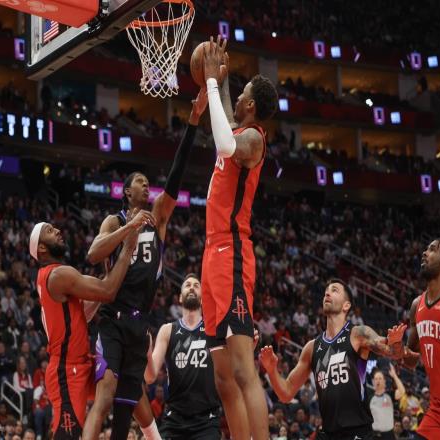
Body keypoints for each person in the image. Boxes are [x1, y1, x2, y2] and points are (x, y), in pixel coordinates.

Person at [83, 89, 208, 440]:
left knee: (126, 410)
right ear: (127, 192)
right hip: (113, 319)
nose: (146, 185)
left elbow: (176, 177)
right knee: (104, 396)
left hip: (141, 325)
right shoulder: (114, 221)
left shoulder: (158, 220)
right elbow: (93, 254)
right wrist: (129, 229)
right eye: (139, 182)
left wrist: (193, 122)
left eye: (147, 182)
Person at [201, 35, 278, 440]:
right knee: (222, 376)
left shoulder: (254, 139)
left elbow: (225, 142)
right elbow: (228, 124)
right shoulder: (239, 125)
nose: (239, 97)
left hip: (231, 253)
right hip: (211, 255)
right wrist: (225, 78)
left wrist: (213, 83)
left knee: (244, 371)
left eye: (242, 93)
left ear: (250, 106)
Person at [29, 216, 146, 439]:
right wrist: (128, 244)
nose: (58, 230)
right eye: (50, 230)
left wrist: (107, 273)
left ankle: (151, 433)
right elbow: (108, 291)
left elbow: (84, 313)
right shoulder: (57, 274)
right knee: (68, 435)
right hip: (67, 370)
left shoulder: (53, 276)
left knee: (124, 380)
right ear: (41, 248)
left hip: (81, 363)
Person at [259, 279, 411, 440]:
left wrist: (396, 343)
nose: (327, 293)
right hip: (328, 433)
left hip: (357, 432)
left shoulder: (358, 334)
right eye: (326, 290)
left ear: (346, 305)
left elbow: (393, 353)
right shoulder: (311, 348)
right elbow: (286, 394)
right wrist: (272, 370)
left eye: (334, 290)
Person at [398, 238, 440, 440]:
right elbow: (411, 359)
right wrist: (397, 350)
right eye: (426, 249)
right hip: (437, 411)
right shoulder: (416, 305)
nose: (425, 253)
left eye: (433, 249)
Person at [144, 274, 221, 440]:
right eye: (187, 285)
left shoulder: (213, 330)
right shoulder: (167, 330)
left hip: (207, 419)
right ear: (180, 297)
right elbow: (149, 377)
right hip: (175, 419)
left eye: (196, 285)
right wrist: (147, 352)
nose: (191, 287)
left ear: (202, 298)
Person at [370, 364, 405, 440]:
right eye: (376, 379)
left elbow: (402, 391)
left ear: (384, 381)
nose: (378, 381)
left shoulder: (389, 394)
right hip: (374, 435)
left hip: (389, 435)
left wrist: (394, 376)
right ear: (373, 382)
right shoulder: (369, 397)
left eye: (380, 378)